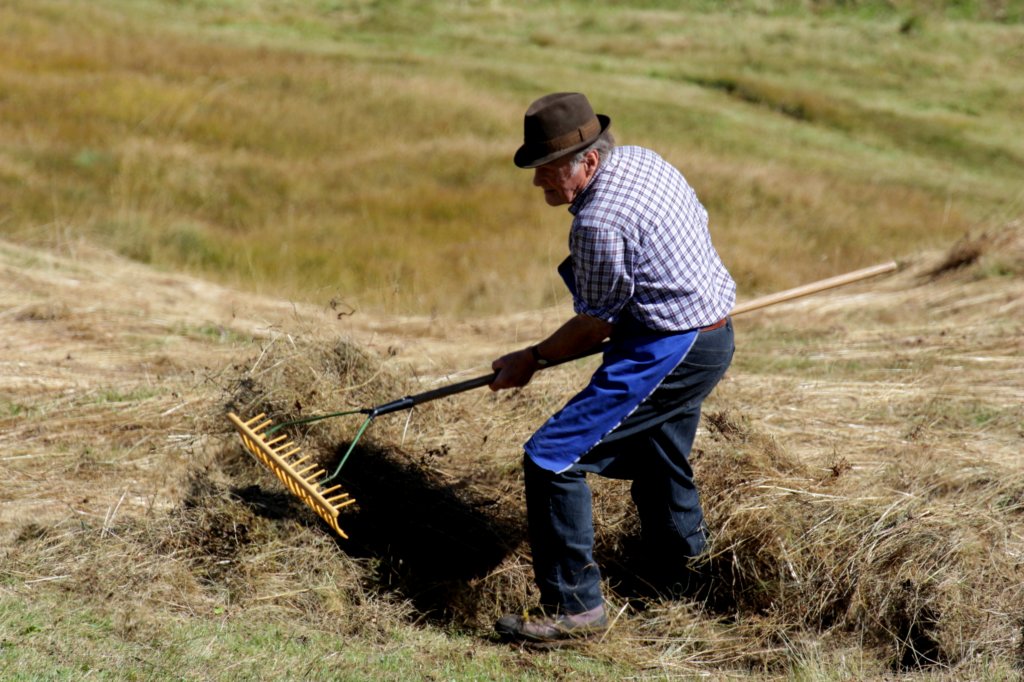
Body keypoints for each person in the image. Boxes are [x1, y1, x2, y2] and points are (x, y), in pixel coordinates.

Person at [488, 92, 736, 644]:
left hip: (671, 348)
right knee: (658, 457)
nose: (538, 184)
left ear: (589, 161)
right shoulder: (645, 160)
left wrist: (532, 358)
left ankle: (576, 610)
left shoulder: (598, 222)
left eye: (547, 171)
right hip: (712, 334)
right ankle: (686, 582)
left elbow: (594, 326)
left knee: (552, 458)